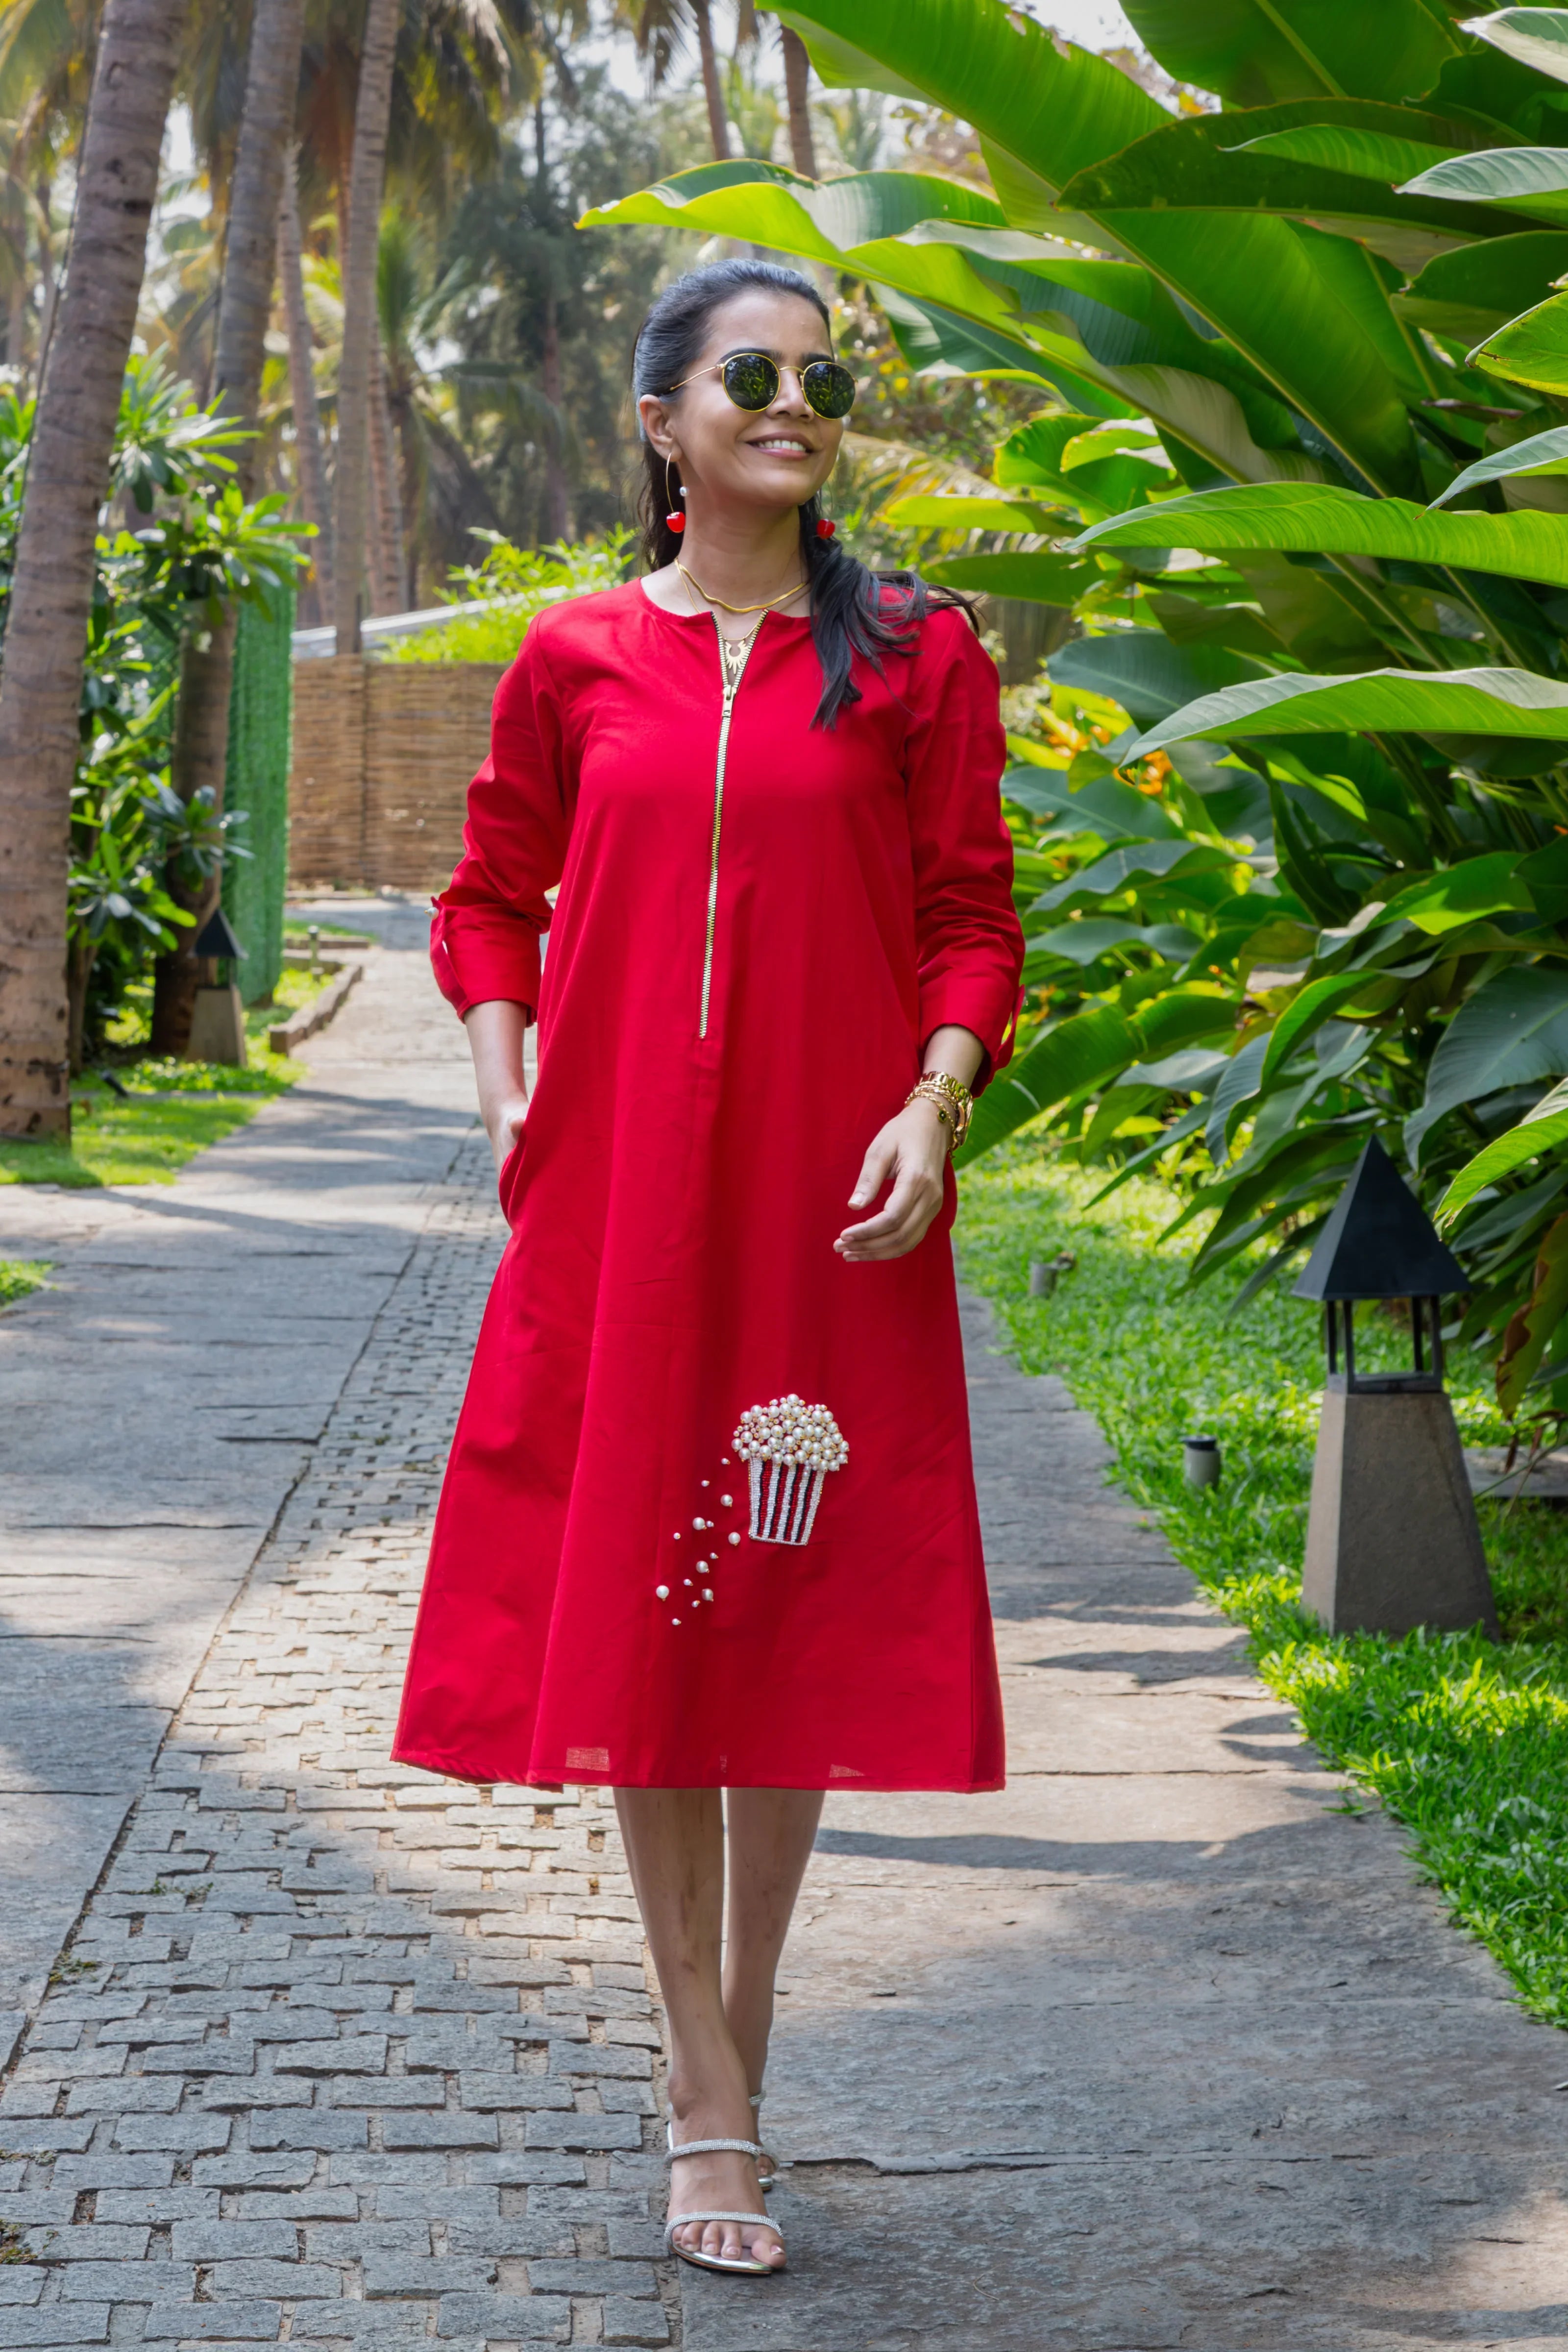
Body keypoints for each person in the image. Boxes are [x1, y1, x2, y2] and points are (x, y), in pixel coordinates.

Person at [393, 259, 1025, 2278]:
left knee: (785, 1612)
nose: (793, 400)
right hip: (616, 1212)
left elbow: (967, 915)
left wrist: (931, 1104)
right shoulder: (572, 658)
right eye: (748, 373)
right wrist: (507, 1093)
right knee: (646, 1627)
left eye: (819, 377)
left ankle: (723, 2061)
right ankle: (702, 2084)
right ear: (661, 423)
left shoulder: (916, 654)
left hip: (830, 1208)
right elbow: (490, 897)